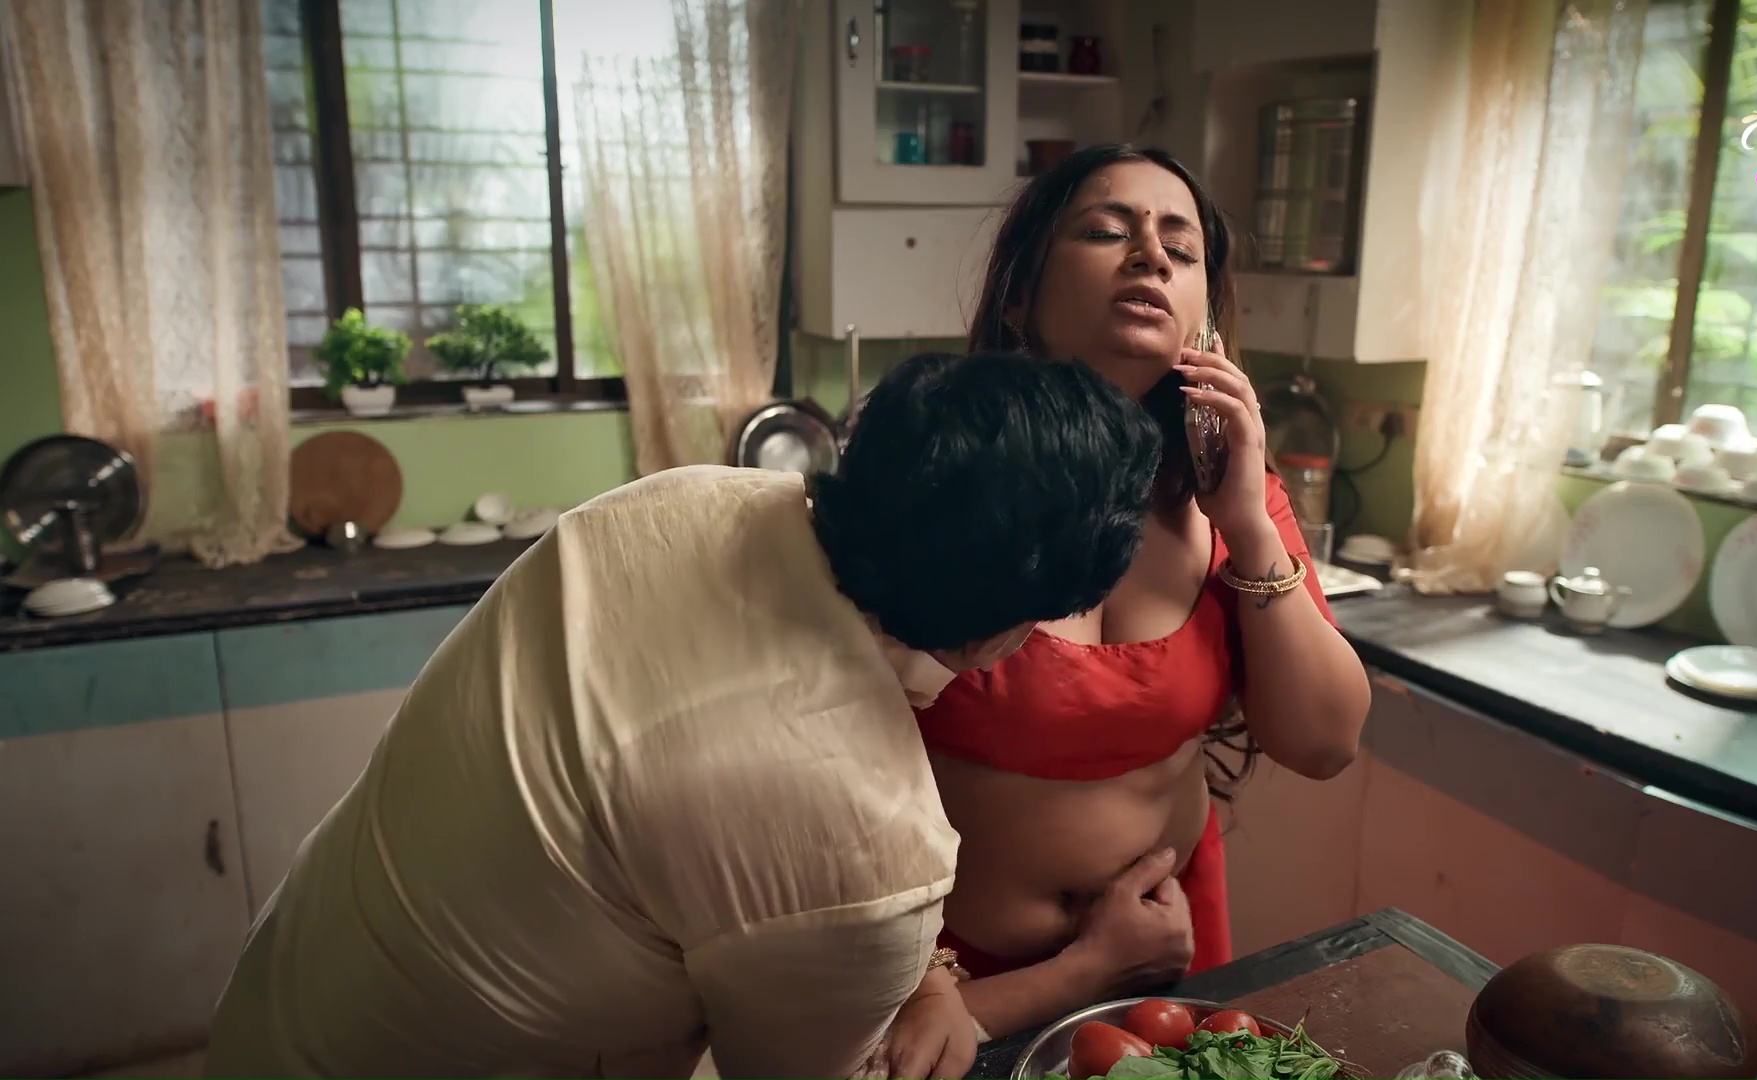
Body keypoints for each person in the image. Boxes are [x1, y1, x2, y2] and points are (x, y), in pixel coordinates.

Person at [201, 351, 1163, 1080]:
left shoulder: (686, 499)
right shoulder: (864, 826)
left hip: (293, 997)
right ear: (1005, 628)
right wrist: (1085, 972)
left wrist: (925, 972)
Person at [902, 145, 1374, 1043]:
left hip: (1169, 956)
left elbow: (1324, 742)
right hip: (949, 981)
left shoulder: (1234, 498)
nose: (1152, 255)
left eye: (1181, 249)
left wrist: (1248, 522)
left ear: (1205, 314)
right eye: (1106, 231)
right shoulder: (941, 483)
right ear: (1019, 295)